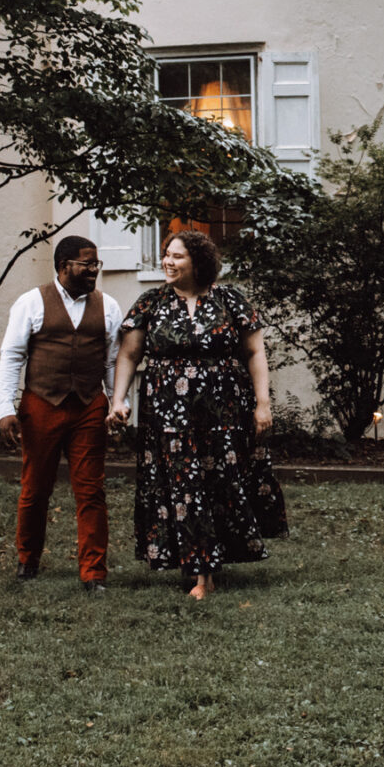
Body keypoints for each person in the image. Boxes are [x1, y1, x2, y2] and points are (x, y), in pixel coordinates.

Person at [108, 228, 287, 599]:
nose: (167, 262)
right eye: (166, 255)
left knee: (218, 483)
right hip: (168, 414)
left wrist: (262, 402)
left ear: (198, 262)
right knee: (183, 485)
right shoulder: (150, 302)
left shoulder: (230, 301)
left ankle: (210, 563)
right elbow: (129, 354)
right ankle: (200, 572)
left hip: (223, 412)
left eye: (176, 256)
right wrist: (118, 400)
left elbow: (255, 353)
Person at [0, 235, 124, 593]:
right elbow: (11, 357)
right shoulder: (31, 302)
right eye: (87, 263)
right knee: (35, 488)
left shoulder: (108, 306)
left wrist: (116, 404)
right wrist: (6, 409)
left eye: (96, 264)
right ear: (64, 265)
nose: (93, 270)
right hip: (41, 405)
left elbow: (113, 360)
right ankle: (27, 559)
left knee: (91, 490)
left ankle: (93, 573)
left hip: (88, 406)